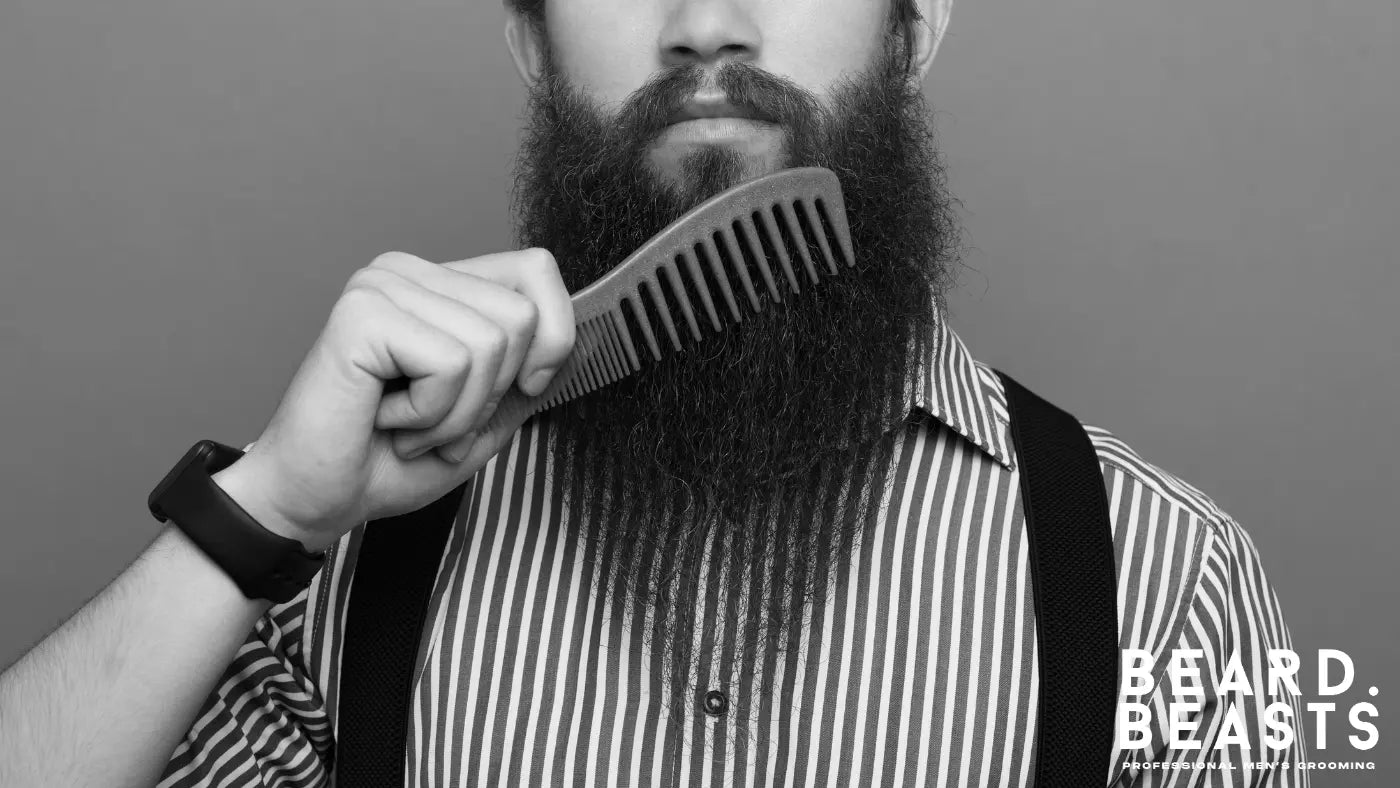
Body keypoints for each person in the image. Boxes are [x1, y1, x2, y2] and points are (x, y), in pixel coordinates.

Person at [0, 0, 1309, 785]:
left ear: (918, 25)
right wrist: (264, 506)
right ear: (530, 38)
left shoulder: (1168, 578)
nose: (705, 23)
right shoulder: (334, 563)